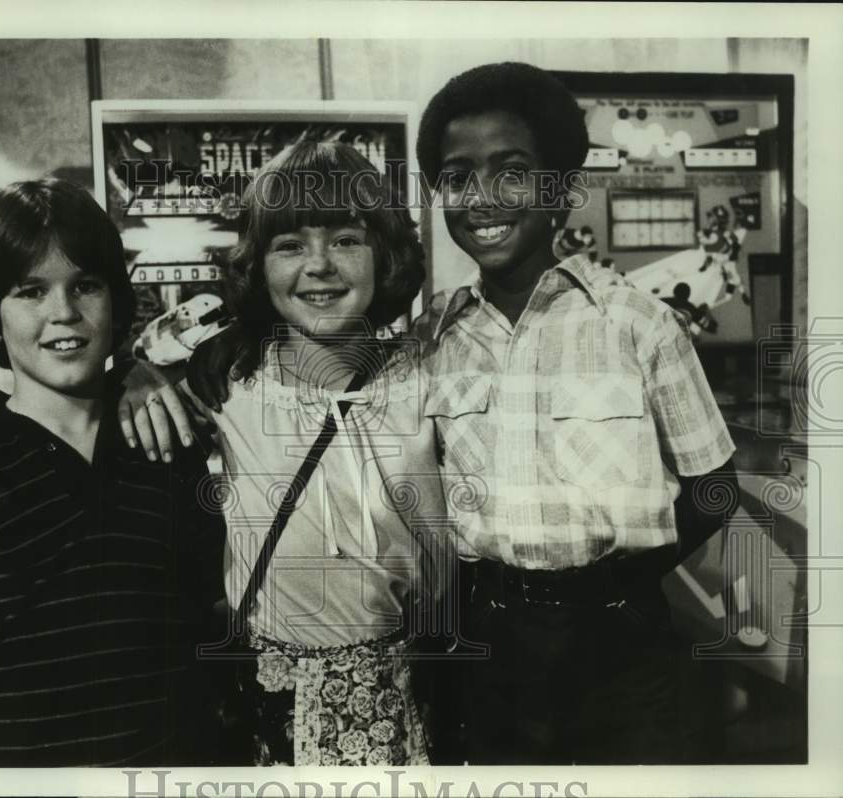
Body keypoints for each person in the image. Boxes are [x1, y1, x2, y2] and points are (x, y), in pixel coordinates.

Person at [141, 62, 743, 765]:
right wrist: (142, 371)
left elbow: (715, 486)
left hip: (618, 642)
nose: (483, 197)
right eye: (458, 176)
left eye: (512, 171)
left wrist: (620, 579)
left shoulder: (637, 324)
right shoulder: (434, 338)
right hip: (486, 647)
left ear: (561, 188)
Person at [120, 140, 458, 766]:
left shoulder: (427, 377)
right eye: (290, 245)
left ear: (384, 253)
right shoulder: (230, 382)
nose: (320, 265)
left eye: (346, 240)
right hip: (270, 705)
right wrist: (131, 377)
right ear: (259, 264)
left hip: (407, 697)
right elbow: (124, 371)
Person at [0, 178, 224, 766]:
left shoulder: (167, 438)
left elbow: (206, 620)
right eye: (30, 291)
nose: (63, 312)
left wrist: (139, 369)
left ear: (116, 299)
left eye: (85, 286)